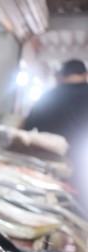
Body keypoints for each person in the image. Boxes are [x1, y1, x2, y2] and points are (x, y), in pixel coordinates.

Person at [22, 59, 88, 205]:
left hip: (48, 169)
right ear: (85, 74)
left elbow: (26, 131)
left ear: (62, 76)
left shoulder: (48, 96)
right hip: (82, 170)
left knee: (51, 208)